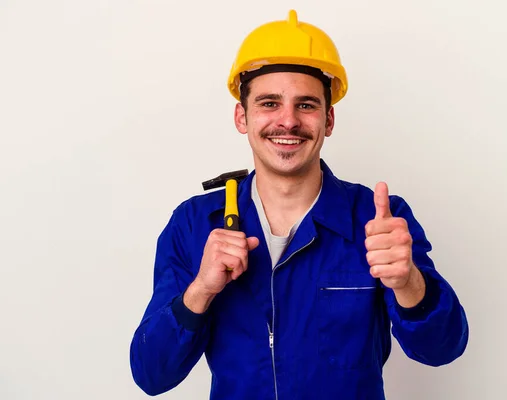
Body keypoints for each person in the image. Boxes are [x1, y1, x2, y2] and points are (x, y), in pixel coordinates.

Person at [129, 9, 469, 399]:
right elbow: (151, 375)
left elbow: (443, 349)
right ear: (242, 116)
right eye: (269, 103)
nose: (287, 121)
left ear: (329, 120)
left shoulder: (379, 220)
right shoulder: (194, 223)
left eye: (306, 105)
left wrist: (407, 281)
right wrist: (200, 290)